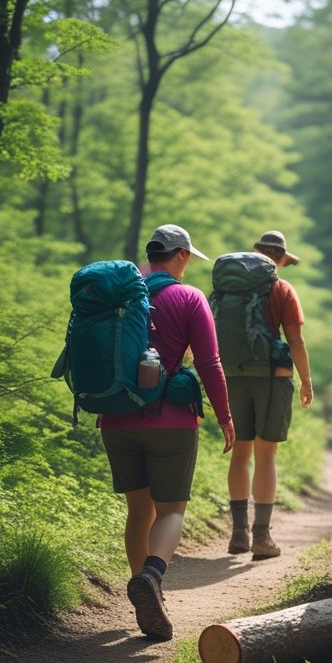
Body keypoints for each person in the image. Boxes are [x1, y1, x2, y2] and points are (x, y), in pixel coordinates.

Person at [98, 224, 235, 641]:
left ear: (149, 256)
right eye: (189, 256)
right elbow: (210, 363)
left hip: (116, 419)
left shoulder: (120, 296)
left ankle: (143, 594)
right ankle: (153, 578)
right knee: (172, 510)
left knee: (139, 511)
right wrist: (226, 417)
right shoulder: (188, 297)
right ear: (180, 256)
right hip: (171, 421)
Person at [224, 230, 313, 559]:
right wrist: (306, 381)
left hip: (233, 374)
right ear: (280, 258)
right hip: (272, 377)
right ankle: (261, 537)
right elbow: (296, 340)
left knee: (240, 454)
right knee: (266, 455)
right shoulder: (281, 289)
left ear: (256, 252)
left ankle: (238, 534)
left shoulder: (226, 288)